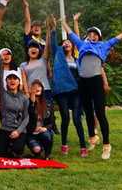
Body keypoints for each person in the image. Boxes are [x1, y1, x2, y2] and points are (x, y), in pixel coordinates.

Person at [63, 16, 122, 160]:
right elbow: (71, 34)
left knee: (100, 113)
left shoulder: (103, 45)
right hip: (83, 82)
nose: (92, 36)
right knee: (88, 112)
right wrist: (63, 22)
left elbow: (118, 37)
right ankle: (92, 137)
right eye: (90, 34)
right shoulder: (81, 45)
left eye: (95, 34)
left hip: (96, 81)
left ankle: (107, 145)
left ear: (99, 37)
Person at [45, 15, 87, 157]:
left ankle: (83, 146)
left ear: (72, 45)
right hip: (62, 91)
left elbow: (77, 38)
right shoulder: (57, 54)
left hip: (76, 91)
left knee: (76, 118)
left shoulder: (77, 58)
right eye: (64, 42)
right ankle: (64, 144)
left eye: (69, 42)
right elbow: (53, 43)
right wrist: (53, 28)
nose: (66, 43)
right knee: (65, 118)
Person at [0, 70, 29, 158]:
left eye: (15, 78)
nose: (12, 81)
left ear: (19, 82)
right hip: (5, 128)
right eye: (9, 78)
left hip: (19, 130)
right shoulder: (3, 94)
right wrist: (1, 61)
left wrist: (18, 131)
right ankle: (8, 148)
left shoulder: (24, 98)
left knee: (17, 149)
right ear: (6, 81)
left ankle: (13, 148)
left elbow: (27, 117)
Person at [26, 80, 55, 159]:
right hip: (31, 133)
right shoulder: (26, 103)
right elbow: (28, 115)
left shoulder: (48, 103)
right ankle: (38, 149)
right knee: (37, 150)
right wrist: (32, 101)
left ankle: (47, 154)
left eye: (39, 86)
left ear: (42, 89)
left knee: (47, 134)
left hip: (42, 130)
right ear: (31, 89)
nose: (36, 88)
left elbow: (52, 122)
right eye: (34, 87)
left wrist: (44, 128)